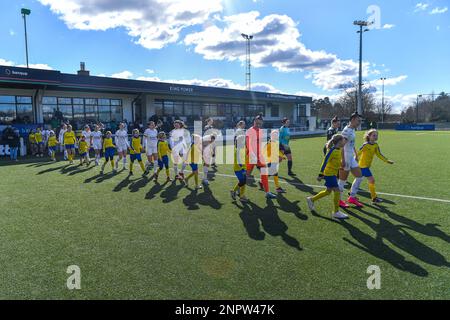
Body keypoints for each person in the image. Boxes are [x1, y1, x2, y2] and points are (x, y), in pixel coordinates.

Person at [307, 134, 349, 220]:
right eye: (343, 140)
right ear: (340, 141)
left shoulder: (339, 149)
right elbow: (325, 161)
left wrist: (340, 166)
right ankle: (336, 212)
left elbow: (335, 161)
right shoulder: (332, 150)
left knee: (328, 191)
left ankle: (311, 199)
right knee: (337, 191)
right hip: (329, 174)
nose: (345, 142)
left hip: (333, 173)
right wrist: (320, 174)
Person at [349, 129, 394, 204]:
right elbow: (358, 153)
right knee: (371, 180)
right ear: (369, 136)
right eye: (374, 135)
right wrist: (353, 160)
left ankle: (351, 193)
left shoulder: (376, 145)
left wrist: (386, 160)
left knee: (358, 180)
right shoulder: (365, 145)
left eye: (376, 135)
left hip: (366, 166)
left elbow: (379, 154)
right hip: (362, 167)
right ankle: (374, 197)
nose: (375, 137)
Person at [246, 114, 277, 199]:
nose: (258, 124)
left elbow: (261, 144)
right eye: (257, 123)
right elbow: (248, 144)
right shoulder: (249, 131)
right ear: (254, 122)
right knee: (247, 175)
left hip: (260, 156)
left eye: (260, 123)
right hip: (251, 156)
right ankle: (237, 190)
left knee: (264, 174)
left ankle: (267, 192)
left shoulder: (261, 131)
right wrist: (252, 154)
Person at [339, 112, 364, 208]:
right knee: (342, 180)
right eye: (358, 120)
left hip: (351, 157)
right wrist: (342, 159)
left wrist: (356, 154)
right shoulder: (346, 131)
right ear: (353, 119)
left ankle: (352, 197)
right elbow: (341, 146)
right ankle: (339, 200)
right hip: (345, 157)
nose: (359, 122)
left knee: (360, 176)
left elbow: (351, 144)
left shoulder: (352, 129)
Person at [230, 128, 248, 202]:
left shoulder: (241, 147)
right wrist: (243, 169)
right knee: (243, 181)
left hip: (242, 168)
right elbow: (239, 160)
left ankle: (241, 194)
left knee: (243, 181)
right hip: (239, 169)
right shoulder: (238, 149)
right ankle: (236, 193)